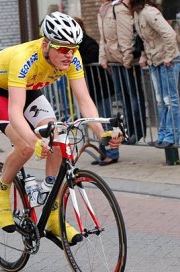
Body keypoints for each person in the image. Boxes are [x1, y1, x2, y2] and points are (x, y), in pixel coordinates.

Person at [0, 12, 121, 244]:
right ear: (46, 45)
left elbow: (84, 100)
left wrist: (101, 133)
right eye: (63, 48)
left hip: (30, 89)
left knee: (57, 135)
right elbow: (15, 112)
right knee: (25, 146)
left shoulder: (73, 58)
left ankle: (53, 212)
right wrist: (34, 141)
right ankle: (1, 191)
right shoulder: (24, 58)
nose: (69, 54)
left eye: (73, 48)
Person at [129, 0, 180, 148]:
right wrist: (144, 56)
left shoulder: (149, 12)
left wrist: (170, 56)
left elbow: (170, 34)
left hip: (166, 61)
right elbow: (145, 41)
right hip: (155, 61)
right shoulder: (137, 14)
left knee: (169, 100)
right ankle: (162, 135)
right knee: (160, 101)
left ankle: (172, 137)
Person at [98, 0, 147, 147]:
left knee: (133, 97)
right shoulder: (104, 9)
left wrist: (127, 58)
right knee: (123, 98)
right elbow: (103, 38)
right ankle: (129, 131)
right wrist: (103, 57)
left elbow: (125, 34)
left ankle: (138, 131)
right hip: (115, 61)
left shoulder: (119, 8)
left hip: (125, 61)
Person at [73, 16, 120, 166]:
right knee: (95, 121)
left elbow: (93, 56)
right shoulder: (76, 45)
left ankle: (112, 153)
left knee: (104, 119)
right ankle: (103, 151)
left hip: (101, 88)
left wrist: (76, 59)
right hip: (91, 89)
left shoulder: (87, 42)